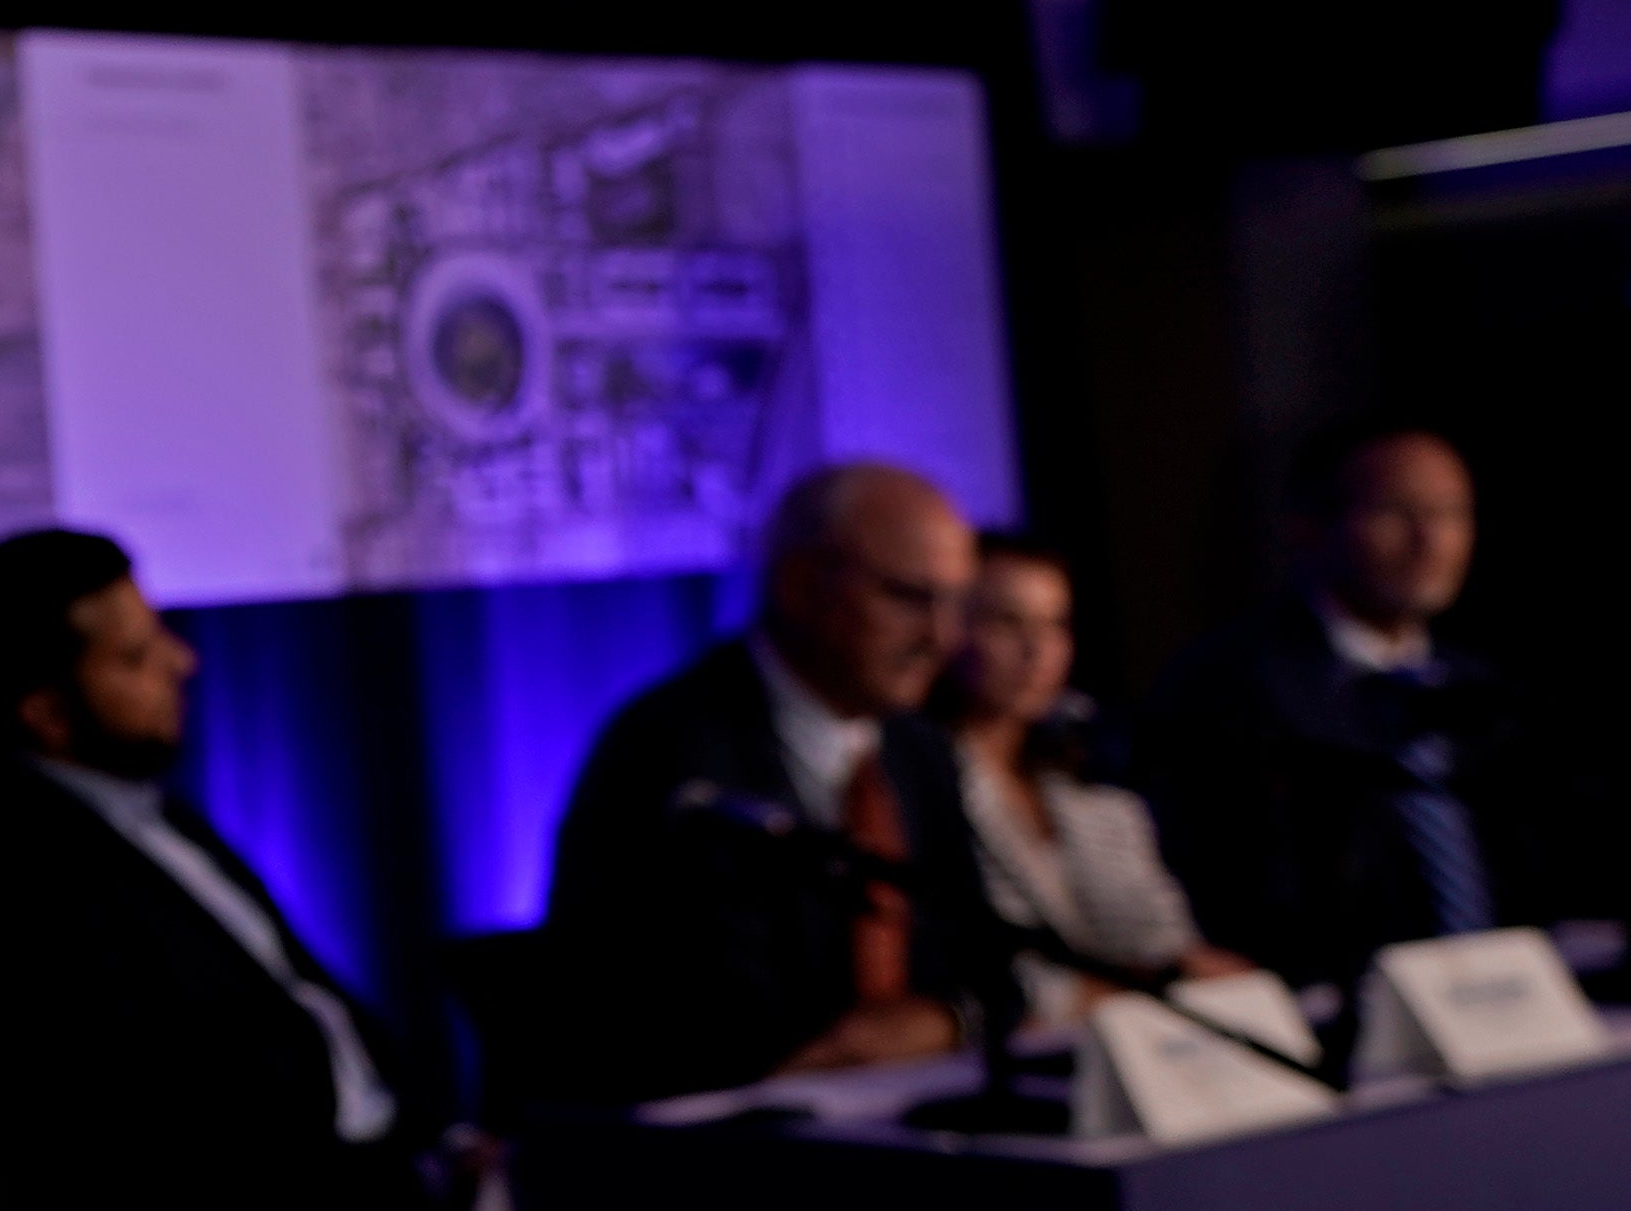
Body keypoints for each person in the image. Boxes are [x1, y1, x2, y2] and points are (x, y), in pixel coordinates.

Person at [0, 526, 513, 1211]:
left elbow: (311, 1008)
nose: (181, 662)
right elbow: (149, 1128)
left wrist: (434, 1140)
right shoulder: (0, 878)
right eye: (135, 655)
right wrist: (399, 1172)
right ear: (45, 712)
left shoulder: (158, 820)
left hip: (371, 1193)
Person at [552, 461, 1012, 1094]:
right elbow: (683, 1018)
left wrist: (944, 1020)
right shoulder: (669, 751)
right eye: (910, 597)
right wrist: (858, 1046)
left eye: (956, 602)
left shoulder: (920, 750)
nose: (943, 637)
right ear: (800, 585)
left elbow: (992, 967)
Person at [1138, 427, 1545, 989]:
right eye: (1396, 512)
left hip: (1510, 997)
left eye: (1451, 513)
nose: (1429, 540)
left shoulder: (1489, 690)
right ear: (1308, 525)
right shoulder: (1228, 690)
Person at [933, 534, 1242, 1024]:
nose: (1036, 650)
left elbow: (1162, 940)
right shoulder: (920, 785)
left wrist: (1179, 971)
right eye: (1007, 622)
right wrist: (1146, 985)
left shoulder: (1091, 782)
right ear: (949, 628)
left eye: (1055, 625)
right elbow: (990, 973)